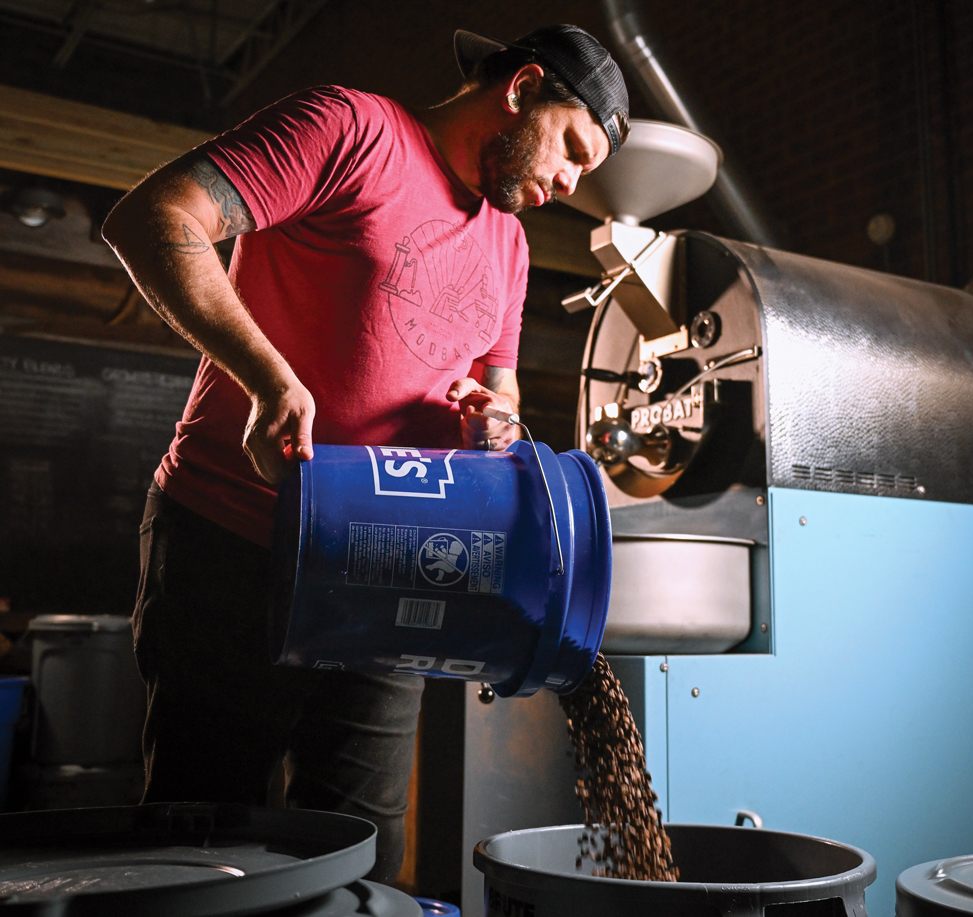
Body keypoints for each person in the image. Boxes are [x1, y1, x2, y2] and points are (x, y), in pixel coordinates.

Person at [102, 25, 629, 883]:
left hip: (390, 573)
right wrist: (267, 376)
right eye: (574, 147)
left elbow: (501, 392)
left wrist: (491, 421)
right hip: (233, 539)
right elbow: (151, 219)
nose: (572, 182)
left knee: (359, 854)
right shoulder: (350, 130)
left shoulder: (512, 243)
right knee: (198, 849)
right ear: (522, 87)